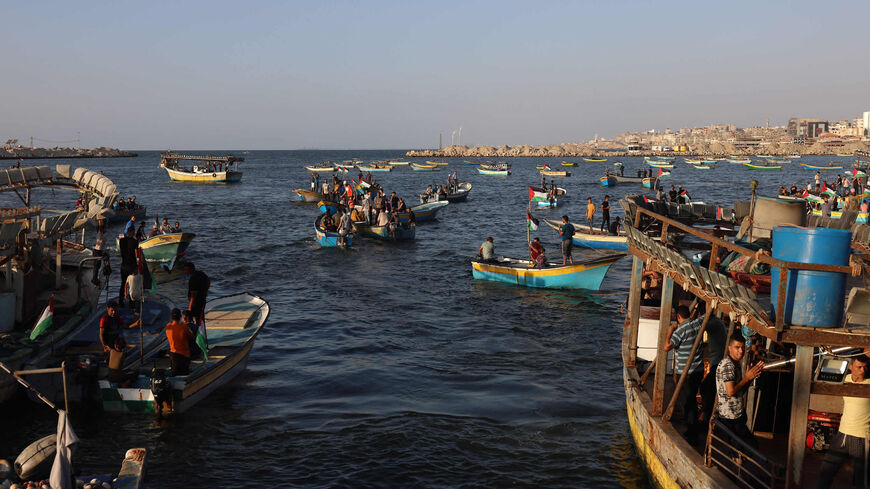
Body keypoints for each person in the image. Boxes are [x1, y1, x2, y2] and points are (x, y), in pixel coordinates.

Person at [816, 355, 870, 489]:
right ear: (851, 367)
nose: (862, 371)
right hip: (842, 435)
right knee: (826, 471)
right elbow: (821, 379)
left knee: (861, 480)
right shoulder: (844, 380)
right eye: (859, 367)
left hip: (861, 437)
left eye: (865, 367)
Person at [665, 305, 706, 444]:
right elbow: (705, 316)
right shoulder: (698, 323)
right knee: (692, 399)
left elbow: (666, 347)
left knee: (687, 402)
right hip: (698, 371)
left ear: (678, 317)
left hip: (686, 374)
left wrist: (670, 330)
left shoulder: (680, 331)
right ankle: (691, 429)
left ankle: (692, 432)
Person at [716, 333, 764, 449]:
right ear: (729, 348)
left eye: (742, 348)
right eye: (737, 347)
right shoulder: (728, 365)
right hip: (730, 419)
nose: (741, 351)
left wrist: (749, 379)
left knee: (743, 450)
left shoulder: (735, 364)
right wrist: (746, 378)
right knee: (747, 449)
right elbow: (730, 392)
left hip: (737, 416)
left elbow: (739, 392)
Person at [162, 308, 193, 376]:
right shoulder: (184, 327)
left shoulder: (168, 327)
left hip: (174, 355)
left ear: (171, 317)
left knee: (175, 373)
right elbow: (191, 336)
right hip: (184, 355)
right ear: (180, 317)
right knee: (184, 373)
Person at [118, 228, 139, 306]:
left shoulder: (121, 241)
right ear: (132, 232)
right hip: (132, 265)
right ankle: (131, 302)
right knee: (131, 284)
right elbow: (136, 254)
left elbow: (121, 253)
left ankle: (120, 301)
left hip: (124, 265)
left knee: (123, 283)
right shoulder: (135, 241)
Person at [92, 219, 107, 285]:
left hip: (100, 251)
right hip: (97, 251)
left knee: (98, 266)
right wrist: (100, 219)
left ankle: (95, 278)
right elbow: (100, 226)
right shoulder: (100, 233)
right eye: (105, 228)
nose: (106, 230)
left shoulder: (102, 234)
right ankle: (94, 279)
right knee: (96, 266)